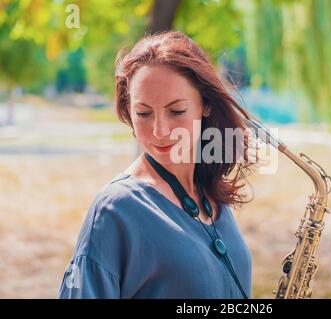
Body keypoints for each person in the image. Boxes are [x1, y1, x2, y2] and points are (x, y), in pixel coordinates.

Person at [58, 31, 258, 299]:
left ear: (206, 105)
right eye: (143, 113)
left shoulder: (210, 195)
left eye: (176, 111)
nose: (160, 131)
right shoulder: (115, 210)